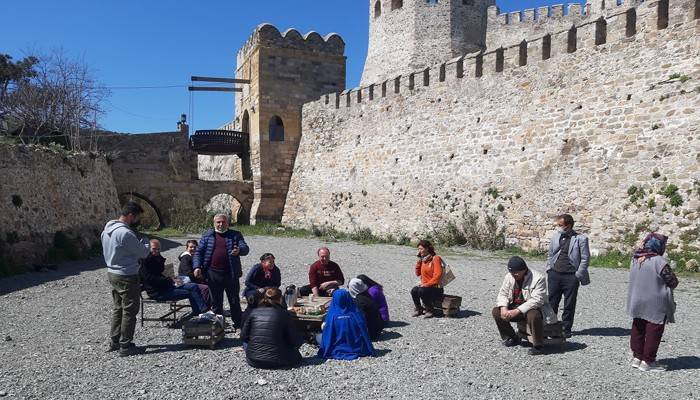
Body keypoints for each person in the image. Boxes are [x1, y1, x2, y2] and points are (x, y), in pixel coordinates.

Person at [101, 202, 150, 357]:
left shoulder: (106, 230)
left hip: (112, 272)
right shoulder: (125, 233)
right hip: (127, 275)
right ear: (131, 216)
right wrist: (146, 243)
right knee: (130, 309)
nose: (138, 221)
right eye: (137, 217)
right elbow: (143, 253)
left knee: (118, 308)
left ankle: (115, 340)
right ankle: (126, 344)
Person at [627, 233, 679, 372]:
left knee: (638, 328)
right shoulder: (659, 261)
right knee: (653, 331)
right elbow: (672, 281)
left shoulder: (635, 258)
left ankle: (637, 357)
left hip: (637, 299)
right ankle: (648, 361)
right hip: (655, 301)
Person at [193, 214, 250, 329]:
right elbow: (198, 252)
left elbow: (245, 248)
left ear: (228, 223)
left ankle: (238, 324)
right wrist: (197, 267)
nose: (220, 224)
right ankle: (218, 325)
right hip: (213, 273)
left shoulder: (235, 235)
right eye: (218, 222)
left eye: (223, 222)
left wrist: (239, 250)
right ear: (214, 223)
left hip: (231, 273)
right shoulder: (208, 235)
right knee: (216, 302)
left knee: (234, 300)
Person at [545, 214, 591, 338]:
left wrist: (578, 274)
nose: (558, 227)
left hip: (571, 276)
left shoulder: (581, 239)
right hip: (554, 273)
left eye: (560, 225)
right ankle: (550, 326)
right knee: (552, 302)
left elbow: (585, 258)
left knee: (569, 303)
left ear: (568, 225)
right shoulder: (556, 237)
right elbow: (550, 254)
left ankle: (566, 328)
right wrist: (549, 268)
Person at [492, 256, 548, 356]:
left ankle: (538, 345)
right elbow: (503, 293)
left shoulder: (538, 278)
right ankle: (512, 337)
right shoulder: (509, 276)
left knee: (533, 316)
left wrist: (517, 310)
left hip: (532, 307)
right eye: (513, 272)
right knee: (497, 312)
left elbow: (537, 300)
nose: (515, 274)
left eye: (518, 272)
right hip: (515, 305)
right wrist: (504, 308)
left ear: (524, 269)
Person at [139, 239, 208, 317]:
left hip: (166, 285)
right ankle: (202, 313)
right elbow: (150, 279)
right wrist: (168, 280)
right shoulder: (145, 261)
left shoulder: (157, 258)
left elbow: (162, 273)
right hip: (157, 292)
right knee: (190, 292)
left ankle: (200, 312)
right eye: (154, 249)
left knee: (193, 286)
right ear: (149, 249)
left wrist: (172, 280)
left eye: (158, 249)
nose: (157, 251)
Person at [240, 288, 304, 369]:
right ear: (280, 299)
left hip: (253, 360)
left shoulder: (254, 312)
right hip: (278, 360)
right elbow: (293, 340)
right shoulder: (284, 314)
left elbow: (243, 336)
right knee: (299, 337)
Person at [318, 289, 376, 360]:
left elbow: (327, 333)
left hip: (336, 347)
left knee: (318, 336)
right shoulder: (356, 313)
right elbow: (364, 330)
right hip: (357, 347)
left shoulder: (332, 315)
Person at [410, 240, 444, 318]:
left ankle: (430, 310)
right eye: (418, 249)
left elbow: (438, 275)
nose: (419, 251)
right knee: (414, 290)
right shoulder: (423, 260)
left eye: (421, 249)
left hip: (436, 288)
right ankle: (419, 309)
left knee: (422, 290)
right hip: (425, 286)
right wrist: (419, 262)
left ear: (427, 249)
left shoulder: (435, 258)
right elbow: (418, 274)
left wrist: (426, 284)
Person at [178, 239, 210, 307]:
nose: (193, 249)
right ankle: (203, 308)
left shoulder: (193, 257)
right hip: (185, 281)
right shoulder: (185, 257)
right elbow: (187, 273)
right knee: (205, 288)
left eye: (195, 247)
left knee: (212, 284)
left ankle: (211, 307)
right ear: (187, 248)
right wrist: (200, 277)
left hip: (191, 279)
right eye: (191, 247)